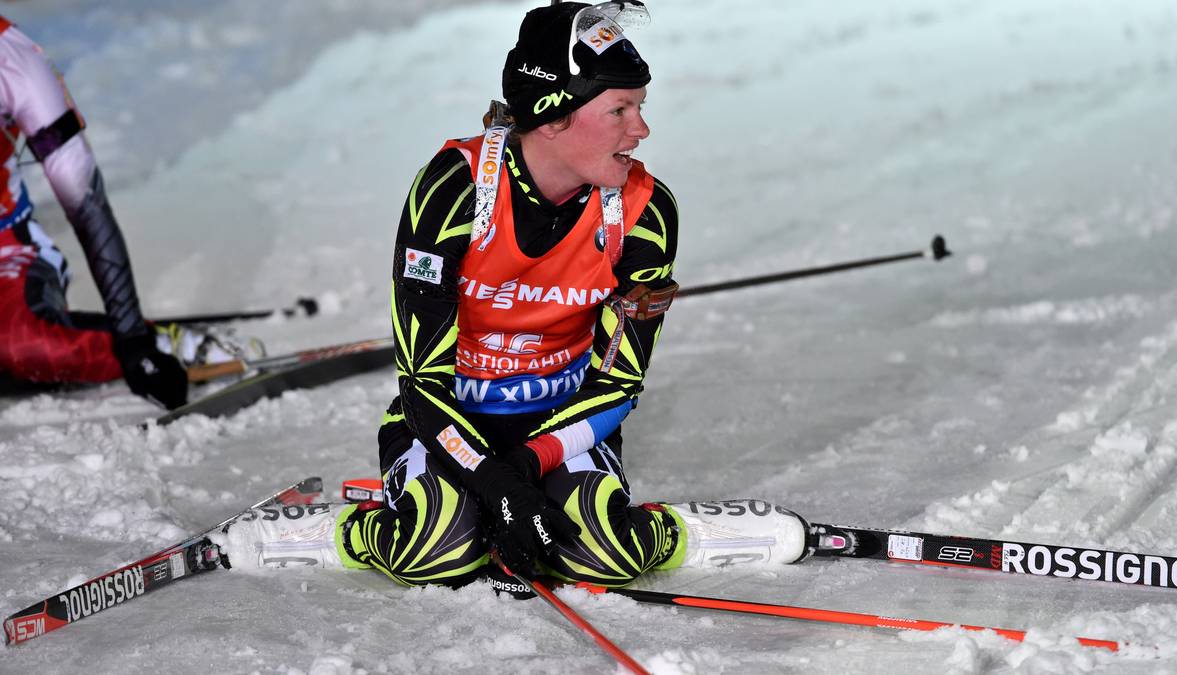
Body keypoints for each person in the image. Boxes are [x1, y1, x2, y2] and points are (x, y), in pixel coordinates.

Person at [217, 1, 821, 587]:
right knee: (441, 548)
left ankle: (666, 532)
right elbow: (423, 386)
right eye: (620, 110)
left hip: (565, 425)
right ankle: (357, 533)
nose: (641, 129)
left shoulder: (644, 212)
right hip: (447, 422)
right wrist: (497, 487)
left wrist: (526, 470)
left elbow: (617, 385)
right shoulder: (454, 191)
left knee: (600, 556)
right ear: (555, 115)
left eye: (640, 106)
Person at [0, 16, 189, 408]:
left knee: (22, 347)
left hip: (7, 251)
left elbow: (85, 203)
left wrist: (132, 338)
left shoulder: (14, 62)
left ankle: (175, 343)